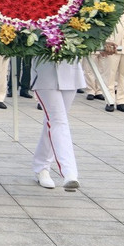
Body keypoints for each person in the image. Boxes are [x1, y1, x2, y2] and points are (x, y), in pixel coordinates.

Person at [31, 60, 83, 191]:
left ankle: (41, 166)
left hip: (70, 70)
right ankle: (69, 172)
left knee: (54, 121)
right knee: (58, 121)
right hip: (44, 71)